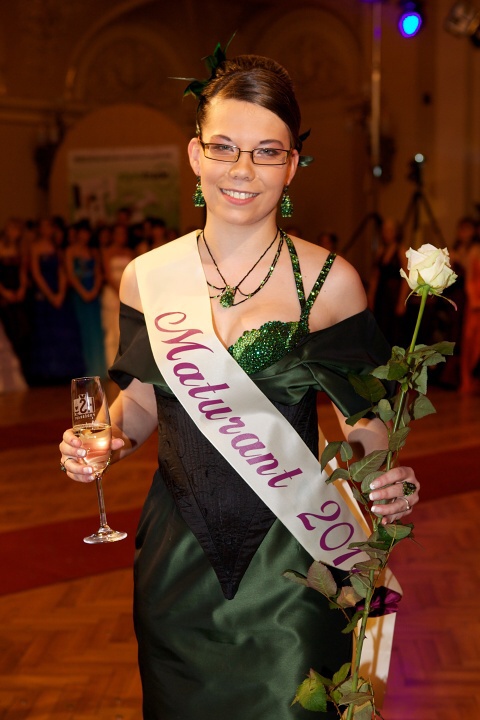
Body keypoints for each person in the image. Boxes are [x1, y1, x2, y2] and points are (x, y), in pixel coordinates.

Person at [59, 53, 420, 720]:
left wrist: (385, 474)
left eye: (266, 151)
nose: (242, 170)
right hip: (175, 565)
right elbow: (142, 402)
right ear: (195, 155)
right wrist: (104, 441)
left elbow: (363, 420)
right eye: (223, 147)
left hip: (296, 565)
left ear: (292, 164)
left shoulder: (331, 282)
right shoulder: (146, 277)